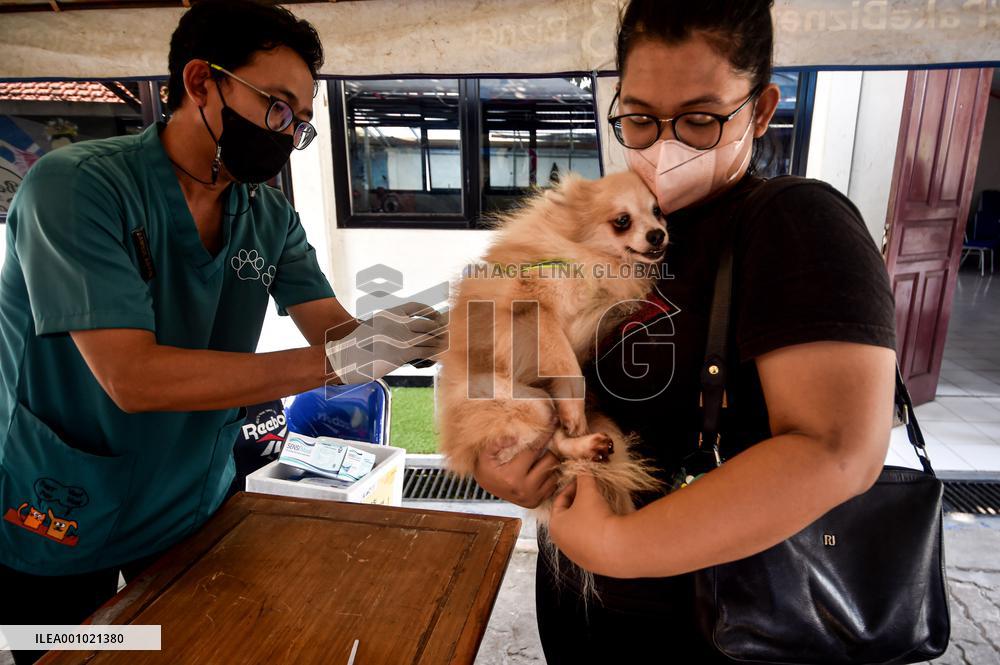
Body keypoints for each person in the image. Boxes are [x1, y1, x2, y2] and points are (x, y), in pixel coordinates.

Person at [0, 2, 443, 662]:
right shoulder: (77, 189)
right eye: (278, 108)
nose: (289, 134)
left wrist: (446, 326)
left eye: (301, 124)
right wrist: (347, 356)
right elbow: (135, 377)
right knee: (69, 652)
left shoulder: (267, 215)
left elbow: (337, 333)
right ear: (202, 81)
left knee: (193, 648)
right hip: (60, 514)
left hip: (188, 506)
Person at [472, 1, 897, 662]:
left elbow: (837, 447)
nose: (662, 144)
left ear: (759, 110)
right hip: (583, 612)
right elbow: (496, 333)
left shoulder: (795, 225)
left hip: (720, 628)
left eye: (700, 120)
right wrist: (495, 453)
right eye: (639, 117)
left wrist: (617, 546)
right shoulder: (601, 222)